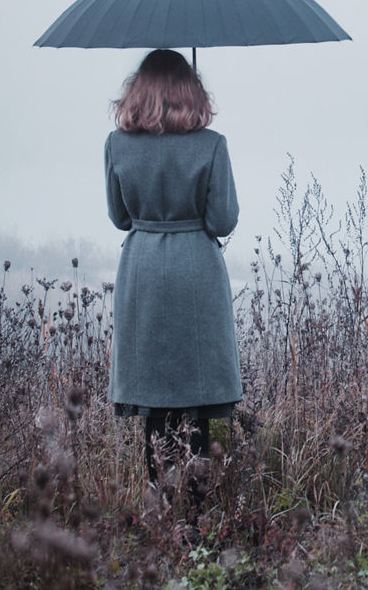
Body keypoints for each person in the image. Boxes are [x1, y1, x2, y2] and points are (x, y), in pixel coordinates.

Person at [104, 49, 242, 505]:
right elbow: (222, 220)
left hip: (142, 271)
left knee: (152, 403)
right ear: (191, 92)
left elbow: (119, 217)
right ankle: (198, 518)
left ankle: (158, 509)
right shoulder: (211, 144)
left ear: (137, 91)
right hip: (195, 274)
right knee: (195, 400)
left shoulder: (116, 145)